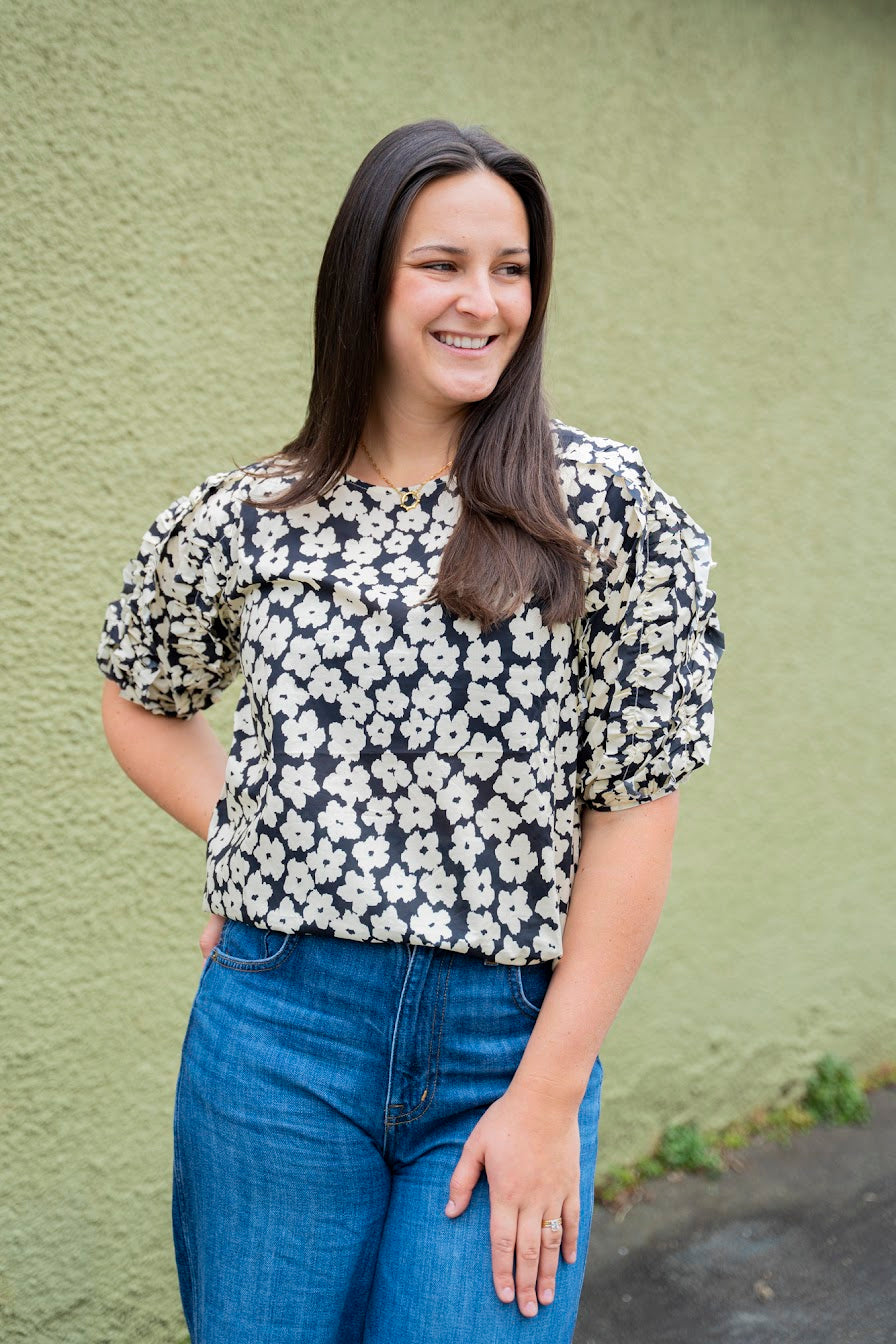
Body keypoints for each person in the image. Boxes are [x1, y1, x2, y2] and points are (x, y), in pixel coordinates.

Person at [97, 118, 723, 1344]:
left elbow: (634, 810)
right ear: (366, 275)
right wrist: (259, 837)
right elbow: (141, 696)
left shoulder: (601, 509)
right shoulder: (253, 516)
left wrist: (545, 1098)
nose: (483, 302)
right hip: (277, 1029)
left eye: (513, 268)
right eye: (442, 263)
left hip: (507, 1043)